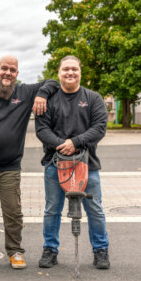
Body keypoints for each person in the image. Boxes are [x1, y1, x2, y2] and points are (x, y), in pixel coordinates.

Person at [0, 55, 59, 269]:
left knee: (13, 212)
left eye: (12, 70)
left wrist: (41, 95)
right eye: (4, 68)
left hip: (9, 167)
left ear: (17, 73)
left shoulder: (24, 92)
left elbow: (53, 82)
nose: (8, 73)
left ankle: (15, 251)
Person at [35, 55, 110, 269]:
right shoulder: (48, 100)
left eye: (74, 69)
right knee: (52, 209)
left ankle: (101, 250)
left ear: (80, 72)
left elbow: (99, 128)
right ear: (59, 72)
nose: (70, 73)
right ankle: (50, 250)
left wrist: (75, 143)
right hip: (54, 164)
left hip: (88, 165)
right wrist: (63, 146)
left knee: (94, 209)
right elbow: (42, 130)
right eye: (66, 69)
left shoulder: (93, 98)